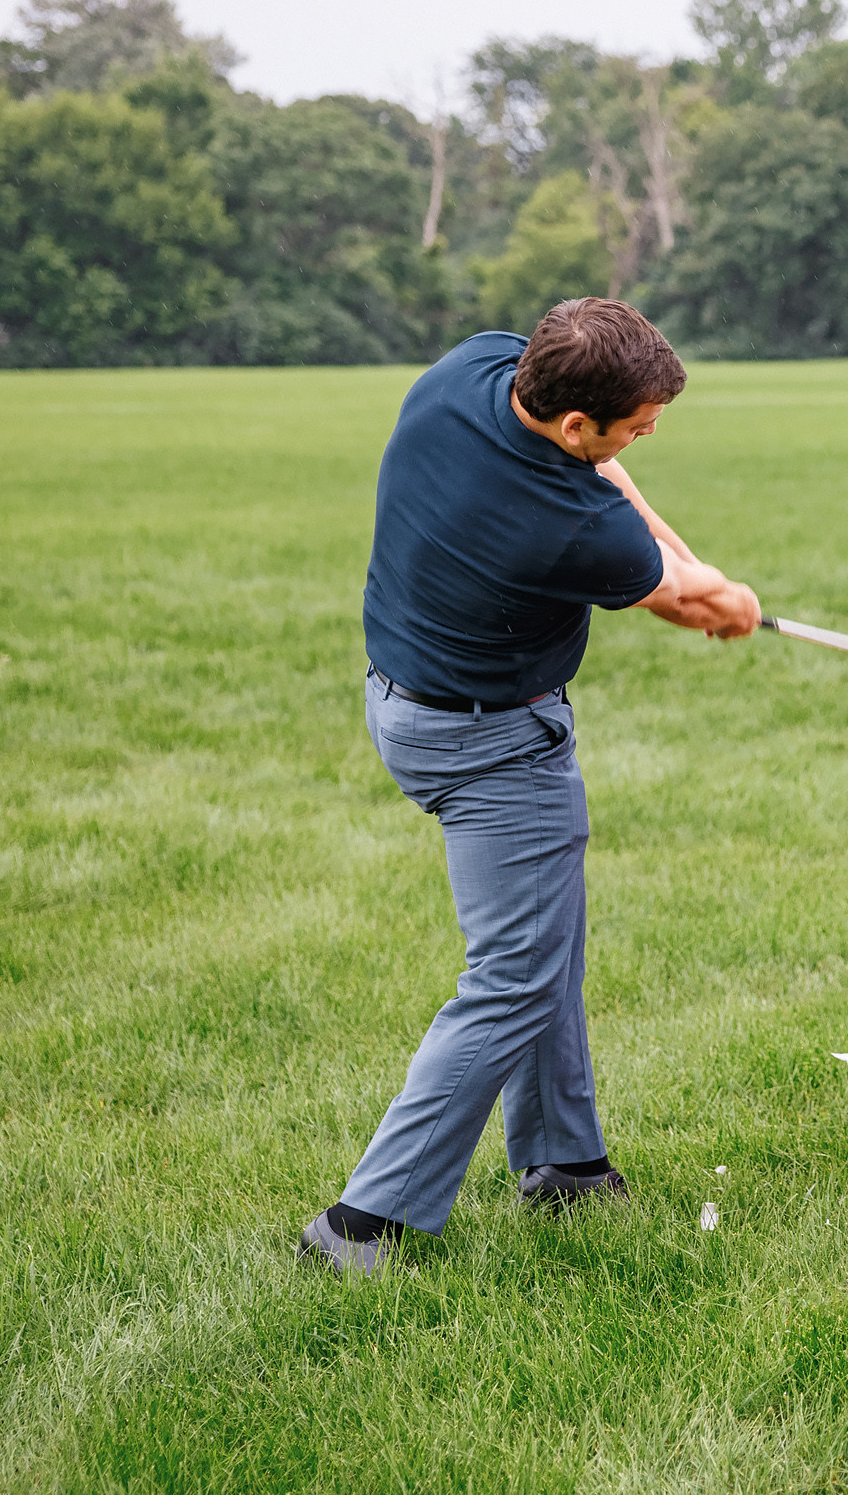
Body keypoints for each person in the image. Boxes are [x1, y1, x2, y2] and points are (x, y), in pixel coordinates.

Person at [301, 298, 759, 1277]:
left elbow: (630, 512)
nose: (646, 437)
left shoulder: (472, 371)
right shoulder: (566, 529)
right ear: (573, 425)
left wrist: (683, 563)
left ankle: (564, 1163)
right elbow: (689, 604)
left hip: (405, 699)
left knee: (543, 941)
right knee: (511, 976)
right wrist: (731, 597)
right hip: (492, 744)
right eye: (633, 425)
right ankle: (360, 1228)